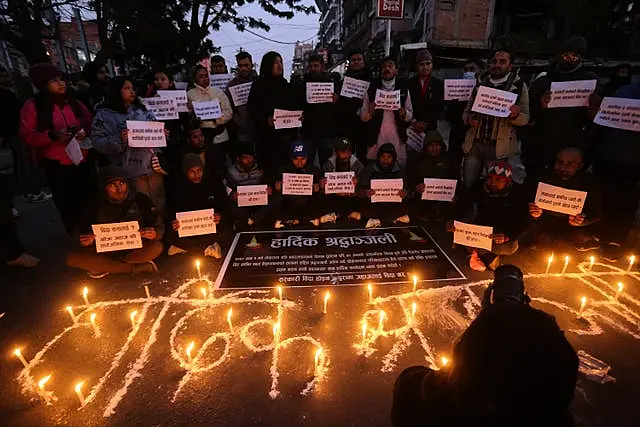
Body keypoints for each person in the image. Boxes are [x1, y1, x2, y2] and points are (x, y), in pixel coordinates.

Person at [392, 265, 578, 427]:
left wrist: (492, 316)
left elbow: (418, 382)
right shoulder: (555, 413)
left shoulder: (445, 405)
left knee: (412, 378)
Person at [19, 63, 95, 235]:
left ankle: (94, 233)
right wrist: (52, 136)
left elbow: (90, 123)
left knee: (89, 198)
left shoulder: (74, 102)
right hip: (56, 163)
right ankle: (77, 235)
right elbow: (27, 136)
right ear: (43, 83)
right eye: (54, 81)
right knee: (67, 202)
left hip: (82, 158)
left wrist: (84, 132)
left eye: (62, 79)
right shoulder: (33, 106)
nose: (61, 84)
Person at [66, 166, 163, 278]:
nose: (119, 188)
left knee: (156, 247)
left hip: (134, 251)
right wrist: (85, 241)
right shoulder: (93, 204)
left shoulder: (140, 199)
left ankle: (108, 267)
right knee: (73, 258)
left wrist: (153, 233)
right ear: (104, 187)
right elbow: (80, 233)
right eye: (113, 185)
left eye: (122, 183)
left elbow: (158, 225)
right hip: (104, 252)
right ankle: (134, 267)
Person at [525, 36, 599, 181]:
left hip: (572, 145)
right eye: (565, 55)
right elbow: (527, 115)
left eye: (573, 56)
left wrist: (593, 113)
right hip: (541, 146)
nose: (568, 59)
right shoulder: (543, 81)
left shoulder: (590, 81)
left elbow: (593, 120)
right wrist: (539, 106)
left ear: (580, 58)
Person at [92, 76, 168, 214]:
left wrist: (162, 135)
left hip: (152, 168)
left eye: (133, 88)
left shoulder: (142, 110)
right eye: (127, 88)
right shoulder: (104, 116)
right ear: (116, 91)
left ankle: (159, 231)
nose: (132, 91)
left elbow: (155, 129)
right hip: (128, 172)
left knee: (158, 201)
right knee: (139, 206)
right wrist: (118, 139)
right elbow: (98, 143)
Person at [462, 48, 529, 190]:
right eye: (494, 61)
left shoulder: (518, 86)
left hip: (498, 148)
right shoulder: (480, 83)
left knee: (496, 187)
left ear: (510, 66)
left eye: (502, 62)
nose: (497, 65)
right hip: (475, 144)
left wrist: (515, 115)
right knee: (468, 184)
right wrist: (468, 119)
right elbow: (466, 112)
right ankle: (467, 211)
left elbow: (525, 118)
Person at [452, 160, 528, 271]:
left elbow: (523, 221)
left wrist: (507, 236)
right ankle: (485, 255)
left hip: (503, 232)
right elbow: (464, 204)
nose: (492, 183)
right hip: (482, 229)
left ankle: (477, 253)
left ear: (507, 181)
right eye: (490, 178)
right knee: (462, 237)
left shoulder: (518, 193)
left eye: (498, 180)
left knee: (511, 247)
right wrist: (455, 223)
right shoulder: (479, 186)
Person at [593, 82, 640, 261]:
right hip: (608, 153)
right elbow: (604, 120)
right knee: (606, 196)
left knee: (627, 200)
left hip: (634, 159)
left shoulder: (623, 89)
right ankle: (603, 235)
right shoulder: (623, 90)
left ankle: (616, 240)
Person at [527, 147, 602, 252]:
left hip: (572, 227)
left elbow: (595, 213)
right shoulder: (542, 176)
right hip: (545, 223)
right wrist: (535, 214)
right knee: (544, 242)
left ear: (580, 165)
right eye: (560, 162)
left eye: (570, 164)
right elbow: (526, 202)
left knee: (571, 244)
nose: (563, 168)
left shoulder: (589, 183)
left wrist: (581, 220)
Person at [247, 51, 300, 180]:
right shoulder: (259, 85)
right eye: (276, 62)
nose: (280, 65)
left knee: (286, 169)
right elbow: (252, 109)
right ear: (268, 65)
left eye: (281, 62)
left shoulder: (286, 85)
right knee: (270, 170)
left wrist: (298, 117)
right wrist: (265, 120)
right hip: (267, 138)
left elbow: (294, 106)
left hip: (286, 136)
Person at [166, 154, 224, 258]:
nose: (196, 174)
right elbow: (171, 209)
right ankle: (206, 248)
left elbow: (223, 203)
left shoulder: (213, 182)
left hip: (208, 227)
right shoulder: (177, 187)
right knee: (171, 234)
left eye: (199, 170)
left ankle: (187, 248)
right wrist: (174, 221)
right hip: (188, 229)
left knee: (225, 230)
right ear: (185, 172)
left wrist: (219, 215)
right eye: (192, 171)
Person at [361, 57, 413, 168]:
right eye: (384, 67)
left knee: (398, 168)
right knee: (374, 167)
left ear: (396, 70)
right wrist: (370, 113)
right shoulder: (371, 89)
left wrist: (404, 114)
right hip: (376, 136)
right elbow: (363, 116)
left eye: (390, 66)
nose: (387, 69)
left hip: (397, 136)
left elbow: (410, 114)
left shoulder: (403, 89)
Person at [187, 65, 233, 173]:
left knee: (220, 168)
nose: (205, 79)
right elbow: (187, 116)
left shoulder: (217, 92)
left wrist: (218, 119)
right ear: (195, 79)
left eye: (206, 76)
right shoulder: (189, 94)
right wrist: (192, 115)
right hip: (201, 138)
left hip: (219, 135)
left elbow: (228, 111)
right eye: (201, 76)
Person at [299, 53, 340, 166]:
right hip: (308, 132)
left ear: (322, 67)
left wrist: (336, 101)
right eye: (311, 66)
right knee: (307, 164)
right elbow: (298, 105)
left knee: (326, 165)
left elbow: (338, 110)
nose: (313, 69)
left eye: (316, 65)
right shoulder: (303, 84)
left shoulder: (331, 83)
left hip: (326, 133)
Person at [357, 143, 409, 228]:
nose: (385, 160)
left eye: (389, 157)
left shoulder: (400, 170)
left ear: (393, 158)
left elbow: (409, 191)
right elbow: (358, 190)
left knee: (406, 208)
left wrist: (405, 193)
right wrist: (366, 192)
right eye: (383, 157)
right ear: (378, 157)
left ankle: (380, 221)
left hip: (392, 205)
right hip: (374, 204)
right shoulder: (370, 169)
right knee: (364, 209)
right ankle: (388, 220)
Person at [445, 59, 484, 173]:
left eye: (472, 69)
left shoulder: (485, 88)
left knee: (473, 169)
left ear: (479, 71)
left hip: (475, 136)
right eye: (466, 69)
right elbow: (448, 115)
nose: (468, 72)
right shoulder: (456, 88)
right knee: (454, 165)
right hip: (457, 133)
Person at [411, 130, 458, 222]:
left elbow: (457, 179)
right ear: (426, 147)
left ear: (441, 146)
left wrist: (455, 194)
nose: (434, 148)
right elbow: (412, 179)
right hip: (423, 197)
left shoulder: (450, 159)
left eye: (437, 145)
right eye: (431, 145)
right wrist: (416, 186)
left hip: (444, 198)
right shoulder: (418, 160)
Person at [272, 141, 322, 228]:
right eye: (296, 159)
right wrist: (277, 187)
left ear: (307, 157)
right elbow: (276, 188)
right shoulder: (283, 169)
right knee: (276, 198)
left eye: (302, 159)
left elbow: (319, 188)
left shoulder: (314, 170)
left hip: (307, 202)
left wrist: (318, 187)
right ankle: (301, 219)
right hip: (289, 202)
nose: (299, 162)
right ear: (291, 158)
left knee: (319, 197)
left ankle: (299, 220)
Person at [226, 142, 273, 230]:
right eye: (245, 157)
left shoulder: (261, 167)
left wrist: (269, 188)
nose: (249, 160)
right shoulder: (231, 171)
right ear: (238, 158)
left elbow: (268, 182)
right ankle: (250, 221)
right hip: (241, 202)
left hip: (259, 201)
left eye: (251, 157)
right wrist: (232, 194)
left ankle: (252, 220)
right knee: (232, 207)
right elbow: (227, 187)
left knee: (273, 202)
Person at [319, 137, 365, 222]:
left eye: (348, 151)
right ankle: (342, 214)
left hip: (352, 197)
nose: (346, 154)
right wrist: (322, 185)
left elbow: (364, 188)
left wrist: (357, 182)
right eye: (342, 151)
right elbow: (323, 189)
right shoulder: (328, 164)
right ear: (336, 152)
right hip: (334, 197)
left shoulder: (358, 165)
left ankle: (343, 213)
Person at [337, 49, 370, 163]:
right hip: (347, 125)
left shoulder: (371, 81)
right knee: (345, 157)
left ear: (364, 62)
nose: (356, 62)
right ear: (349, 63)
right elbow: (339, 104)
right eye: (353, 60)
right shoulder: (343, 82)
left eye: (359, 60)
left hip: (365, 127)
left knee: (362, 157)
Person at [226, 51, 258, 152]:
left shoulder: (260, 82)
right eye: (240, 65)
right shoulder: (231, 85)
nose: (243, 68)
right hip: (242, 131)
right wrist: (239, 121)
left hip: (260, 128)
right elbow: (228, 107)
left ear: (251, 65)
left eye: (246, 65)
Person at [408, 49, 444, 134]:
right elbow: (406, 105)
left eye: (428, 63)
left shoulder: (438, 84)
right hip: (412, 127)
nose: (425, 67)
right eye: (422, 64)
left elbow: (440, 107)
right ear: (416, 66)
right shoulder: (409, 83)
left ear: (432, 64)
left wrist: (427, 124)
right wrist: (414, 122)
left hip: (431, 127)